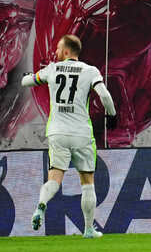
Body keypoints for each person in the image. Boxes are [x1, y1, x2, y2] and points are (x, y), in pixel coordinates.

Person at [21, 35, 117, 238]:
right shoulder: (90, 71)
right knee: (87, 181)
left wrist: (29, 75)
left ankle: (41, 205)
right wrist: (112, 115)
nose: (55, 52)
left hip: (57, 132)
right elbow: (105, 96)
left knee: (55, 177)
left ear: (66, 51)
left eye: (58, 48)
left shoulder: (52, 69)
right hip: (81, 133)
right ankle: (89, 230)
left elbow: (26, 81)